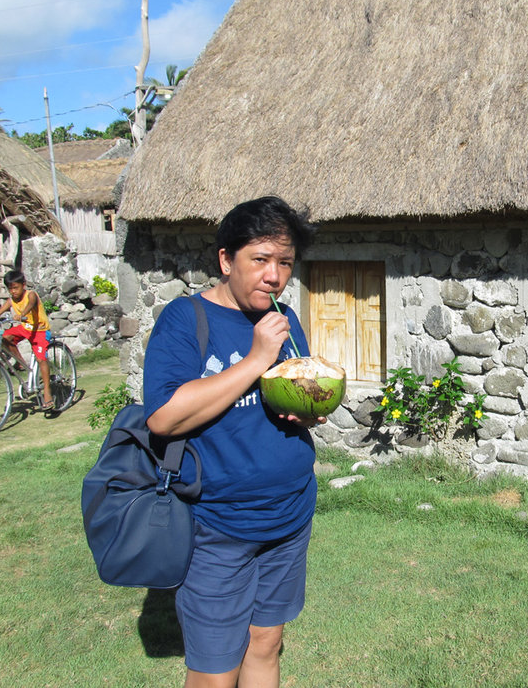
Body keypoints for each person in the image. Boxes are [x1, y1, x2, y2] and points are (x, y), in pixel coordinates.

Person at [143, 196, 321, 688]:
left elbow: (296, 395)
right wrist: (255, 358)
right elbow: (163, 417)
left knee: (266, 644)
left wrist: (309, 409)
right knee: (215, 670)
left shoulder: (284, 321)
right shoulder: (185, 319)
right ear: (226, 260)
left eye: (285, 263)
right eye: (260, 260)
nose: (275, 276)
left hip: (288, 516)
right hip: (216, 526)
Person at [0, 269, 53, 409]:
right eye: (10, 289)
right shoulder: (11, 300)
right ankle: (20, 363)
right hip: (25, 329)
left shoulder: (31, 294)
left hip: (40, 330)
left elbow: (31, 304)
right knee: (4, 337)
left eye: (16, 288)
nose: (13, 291)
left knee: (41, 359)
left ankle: (47, 392)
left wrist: (22, 314)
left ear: (23, 285)